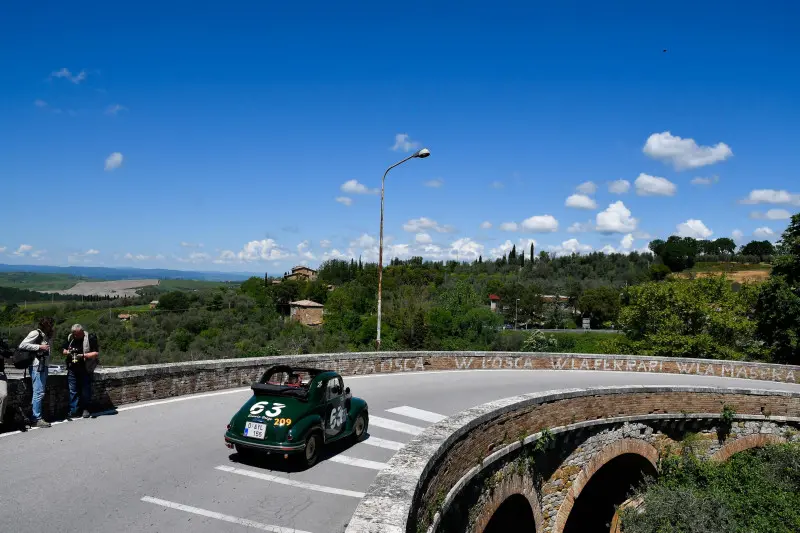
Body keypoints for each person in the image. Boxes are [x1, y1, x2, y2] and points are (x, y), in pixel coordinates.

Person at [18, 317, 55, 428]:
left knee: (40, 392)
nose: (52, 327)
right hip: (36, 365)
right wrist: (40, 346)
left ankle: (36, 417)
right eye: (50, 325)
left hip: (44, 365)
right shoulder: (35, 333)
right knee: (38, 392)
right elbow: (22, 345)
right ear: (45, 325)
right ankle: (36, 418)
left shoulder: (46, 335)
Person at [62, 324, 99, 419]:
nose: (76, 336)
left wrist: (83, 355)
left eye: (77, 334)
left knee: (85, 391)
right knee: (73, 391)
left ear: (82, 332)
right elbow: (63, 350)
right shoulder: (70, 338)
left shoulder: (90, 338)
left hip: (85, 369)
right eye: (74, 334)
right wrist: (69, 352)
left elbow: (96, 353)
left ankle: (85, 409)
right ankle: (74, 410)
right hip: (72, 368)